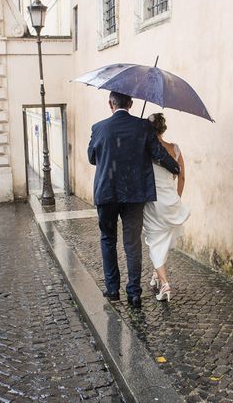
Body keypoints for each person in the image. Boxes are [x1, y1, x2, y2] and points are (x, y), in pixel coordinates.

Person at [88, 92, 180, 308]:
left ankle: (112, 291)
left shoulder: (98, 128)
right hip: (134, 195)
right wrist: (175, 167)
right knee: (132, 243)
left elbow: (92, 158)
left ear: (110, 104)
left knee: (108, 239)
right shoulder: (142, 127)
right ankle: (134, 294)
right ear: (130, 103)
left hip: (106, 193)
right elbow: (158, 153)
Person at [143, 113, 190, 302]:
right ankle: (156, 274)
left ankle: (165, 284)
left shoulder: (146, 151)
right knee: (162, 241)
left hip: (153, 203)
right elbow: (182, 177)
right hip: (171, 201)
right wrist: (177, 198)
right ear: (163, 129)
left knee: (154, 241)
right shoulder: (175, 149)